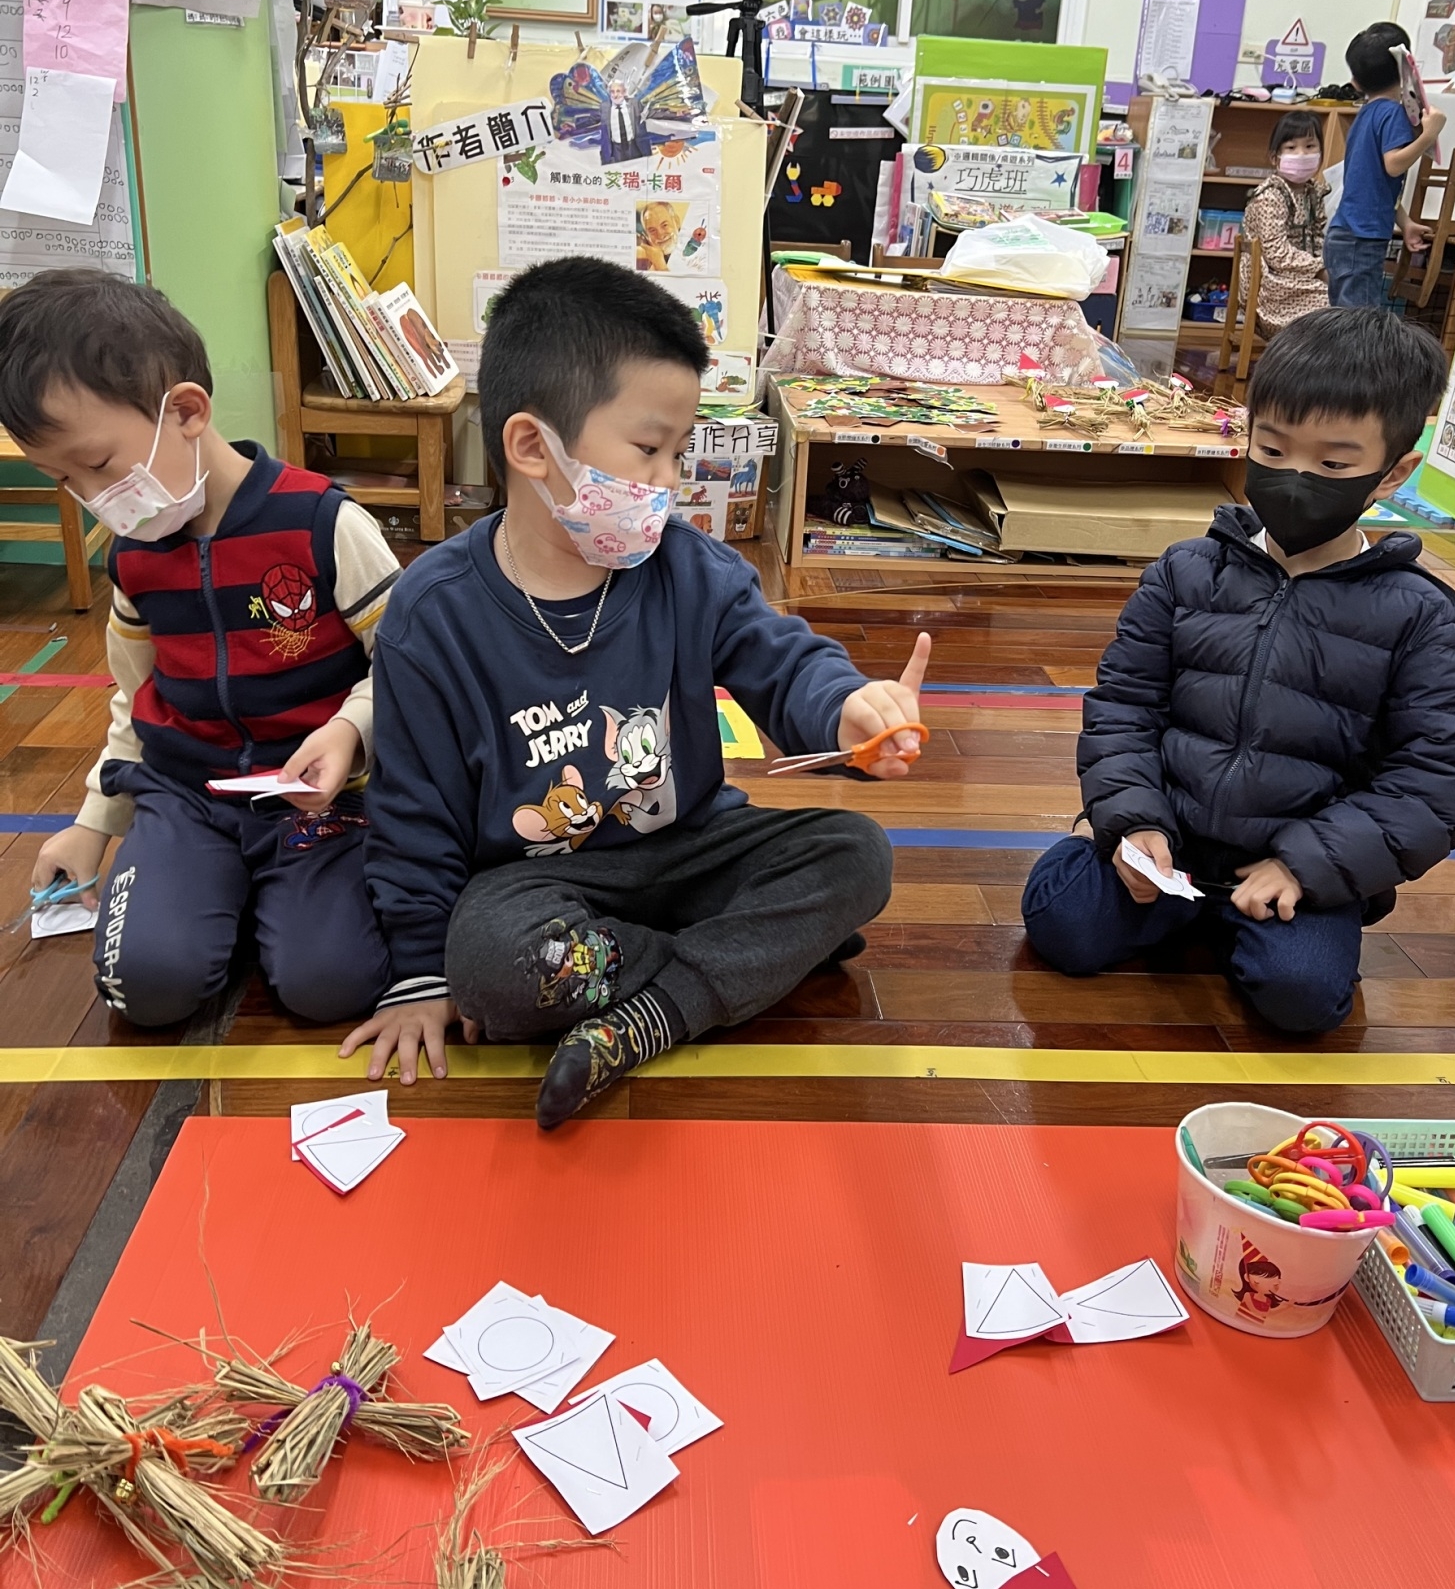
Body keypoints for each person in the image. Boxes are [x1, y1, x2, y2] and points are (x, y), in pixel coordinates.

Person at [341, 257, 914, 1124]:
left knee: (857, 853)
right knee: (489, 963)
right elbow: (411, 812)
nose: (670, 480)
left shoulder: (690, 568)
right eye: (649, 450)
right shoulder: (433, 611)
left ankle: (653, 1013)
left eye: (678, 452)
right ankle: (741, 961)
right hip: (538, 890)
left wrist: (844, 705)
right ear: (531, 446)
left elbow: (779, 657)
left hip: (692, 850)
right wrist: (421, 974)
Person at [1020, 308, 1455, 1036]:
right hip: (1171, 844)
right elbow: (1124, 706)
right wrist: (1132, 820)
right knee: (1062, 924)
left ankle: (1248, 924)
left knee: (1302, 1001)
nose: (1295, 478)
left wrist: (1310, 866)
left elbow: (1442, 776)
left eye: (1333, 466)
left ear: (1394, 472)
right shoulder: (1184, 572)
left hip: (1298, 866)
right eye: (1272, 449)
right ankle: (1121, 865)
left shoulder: (1418, 616)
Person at [0, 271, 399, 1028]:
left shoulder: (323, 523)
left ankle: (261, 900)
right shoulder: (132, 556)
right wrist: (93, 823)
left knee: (332, 986)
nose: (93, 498)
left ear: (185, 411)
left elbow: (407, 665)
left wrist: (352, 729)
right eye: (64, 480)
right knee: (143, 988)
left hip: (314, 800)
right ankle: (212, 892)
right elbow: (135, 700)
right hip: (187, 799)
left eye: (98, 465)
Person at [1325, 27, 1443, 308]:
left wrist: (1405, 223)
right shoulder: (1392, 114)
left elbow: (1374, 185)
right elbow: (1393, 165)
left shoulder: (1365, 114)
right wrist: (1428, 136)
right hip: (1362, 238)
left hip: (1345, 234)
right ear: (1406, 70)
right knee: (1360, 322)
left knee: (1343, 318)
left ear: (1356, 82)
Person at [1240, 110, 1329, 333]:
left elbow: (1319, 237)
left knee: (1347, 293)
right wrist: (1320, 268)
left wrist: (1329, 264)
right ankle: (1303, 353)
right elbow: (1277, 254)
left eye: (1310, 146)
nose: (1302, 154)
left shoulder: (1313, 193)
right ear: (1275, 157)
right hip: (1271, 285)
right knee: (1331, 303)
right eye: (1291, 147)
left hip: (1301, 276)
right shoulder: (1270, 196)